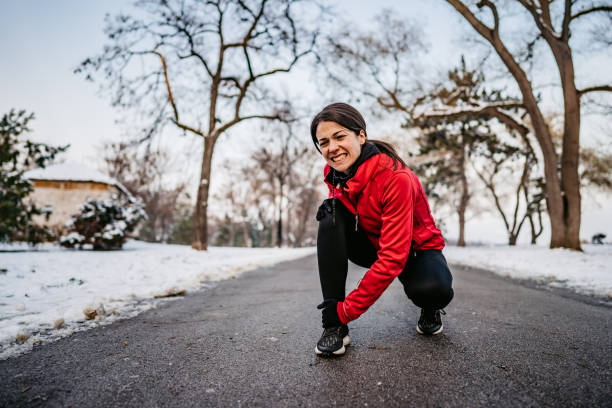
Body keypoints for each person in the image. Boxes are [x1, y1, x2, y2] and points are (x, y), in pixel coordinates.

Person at [311, 102, 454, 357]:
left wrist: (349, 309)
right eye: (323, 142)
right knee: (330, 215)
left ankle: (430, 307)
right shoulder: (334, 172)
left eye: (339, 136)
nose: (332, 148)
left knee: (432, 289)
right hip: (373, 241)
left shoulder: (396, 177)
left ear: (361, 135)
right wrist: (335, 209)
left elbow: (393, 257)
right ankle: (334, 325)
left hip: (413, 249)